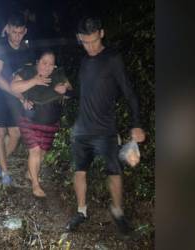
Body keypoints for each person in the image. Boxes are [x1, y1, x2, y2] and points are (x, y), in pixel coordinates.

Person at [65, 17, 146, 237]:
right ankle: (81, 211)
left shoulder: (112, 59)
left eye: (93, 41)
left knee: (115, 172)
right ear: (79, 38)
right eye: (85, 42)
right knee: (79, 171)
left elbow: (129, 92)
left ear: (101, 33)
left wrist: (136, 123)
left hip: (105, 130)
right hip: (82, 129)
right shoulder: (83, 62)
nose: (90, 47)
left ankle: (118, 212)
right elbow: (85, 93)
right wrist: (68, 92)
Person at [0, 13, 34, 185]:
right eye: (13, 32)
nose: (17, 37)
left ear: (25, 31)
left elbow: (26, 76)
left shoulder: (26, 49)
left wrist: (26, 96)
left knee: (15, 133)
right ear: (8, 29)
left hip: (11, 94)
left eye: (20, 33)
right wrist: (18, 95)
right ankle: (5, 174)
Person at [11, 50, 73, 197]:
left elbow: (72, 92)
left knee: (43, 152)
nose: (47, 66)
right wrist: (34, 81)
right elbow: (13, 87)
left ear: (54, 66)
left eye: (51, 64)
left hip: (51, 122)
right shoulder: (27, 71)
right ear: (38, 62)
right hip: (29, 118)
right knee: (35, 150)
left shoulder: (58, 75)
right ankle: (35, 185)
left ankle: (29, 172)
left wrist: (65, 91)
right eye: (44, 62)